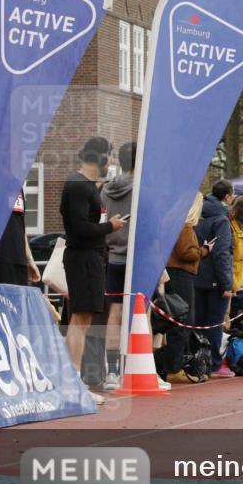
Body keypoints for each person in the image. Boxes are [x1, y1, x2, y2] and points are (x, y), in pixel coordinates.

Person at [59, 137, 124, 404]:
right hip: (83, 257)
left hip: (91, 257)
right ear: (102, 157)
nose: (111, 162)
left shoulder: (86, 186)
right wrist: (110, 226)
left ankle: (70, 380)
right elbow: (79, 228)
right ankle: (70, 382)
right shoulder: (77, 185)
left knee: (83, 319)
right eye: (110, 155)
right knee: (80, 318)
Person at [154, 192, 210, 378]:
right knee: (183, 320)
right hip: (182, 274)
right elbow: (186, 253)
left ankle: (169, 363)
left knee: (174, 319)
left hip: (171, 273)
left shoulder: (169, 222)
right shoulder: (184, 227)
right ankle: (172, 365)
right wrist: (203, 250)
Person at [100, 141, 136, 390]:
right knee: (140, 313)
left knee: (114, 313)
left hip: (112, 255)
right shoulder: (142, 188)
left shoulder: (104, 190)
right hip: (136, 257)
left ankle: (112, 371)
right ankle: (138, 367)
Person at [194, 179, 235, 377]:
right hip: (215, 278)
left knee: (198, 321)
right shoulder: (221, 220)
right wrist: (227, 282)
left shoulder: (198, 213)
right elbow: (222, 253)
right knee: (215, 322)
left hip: (196, 275)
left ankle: (197, 362)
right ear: (227, 197)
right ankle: (214, 364)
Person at [0, 188, 41, 287]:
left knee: (18, 301)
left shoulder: (17, 186)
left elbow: (21, 224)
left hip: (20, 260)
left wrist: (29, 259)